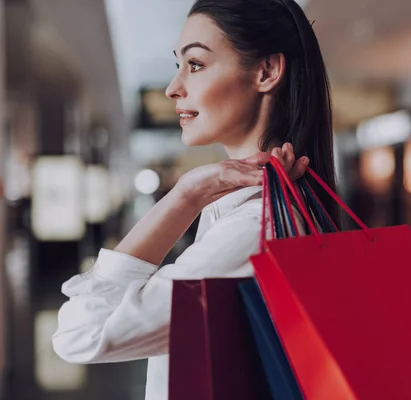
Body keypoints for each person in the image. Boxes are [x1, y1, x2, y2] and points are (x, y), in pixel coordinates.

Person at [52, 1, 338, 399]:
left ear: (267, 71)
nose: (173, 88)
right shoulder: (252, 210)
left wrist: (186, 195)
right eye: (178, 65)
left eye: (196, 64)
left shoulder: (255, 225)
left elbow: (81, 335)